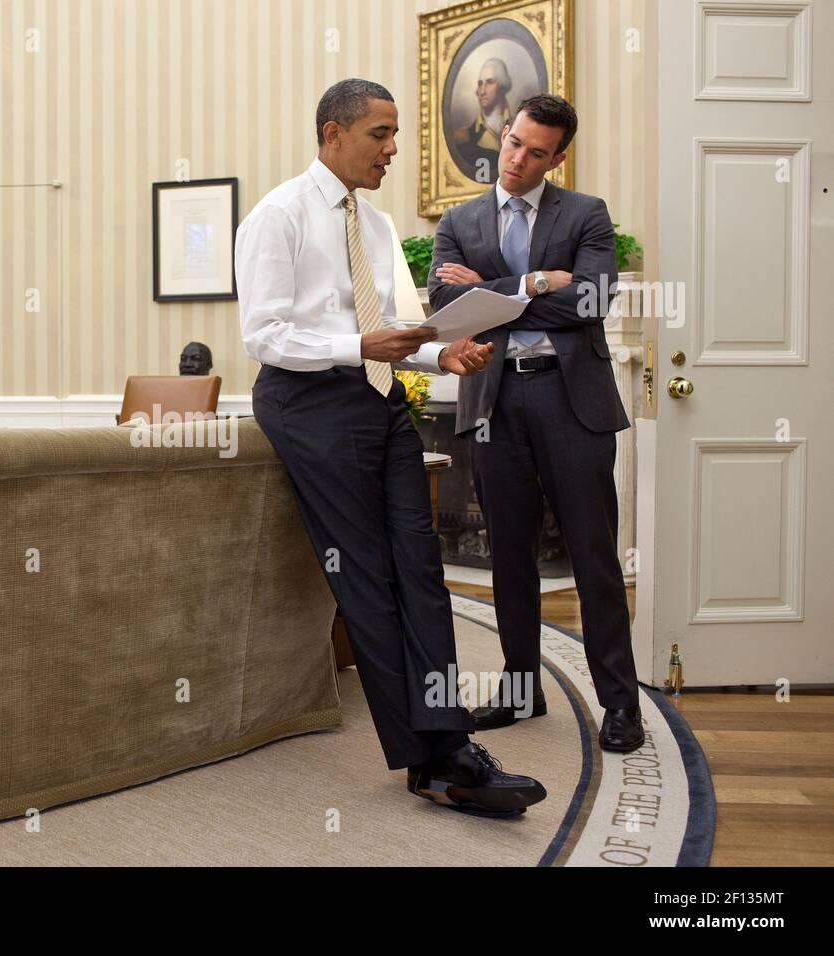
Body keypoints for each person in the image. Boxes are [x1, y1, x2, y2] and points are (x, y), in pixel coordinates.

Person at [236, 77, 547, 817]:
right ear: (332, 133)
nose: (393, 148)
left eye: (395, 133)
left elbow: (402, 328)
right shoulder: (277, 216)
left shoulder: (373, 225)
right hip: (307, 404)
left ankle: (448, 745)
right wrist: (356, 343)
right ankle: (433, 757)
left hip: (378, 395)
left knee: (421, 567)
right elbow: (265, 334)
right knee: (368, 577)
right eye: (380, 133)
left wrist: (443, 356)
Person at [428, 93, 643, 753]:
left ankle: (620, 704)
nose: (517, 159)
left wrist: (492, 289)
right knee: (509, 559)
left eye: (536, 151)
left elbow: (593, 300)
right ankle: (523, 692)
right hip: (495, 405)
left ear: (559, 157)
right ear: (505, 132)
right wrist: (539, 283)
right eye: (514, 142)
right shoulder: (458, 220)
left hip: (571, 402)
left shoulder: (586, 214)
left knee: (594, 557)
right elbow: (446, 307)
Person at [452, 58, 513, 181]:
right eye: (480, 84)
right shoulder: (463, 138)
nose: (482, 91)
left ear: (502, 86)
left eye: (489, 82)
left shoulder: (520, 131)